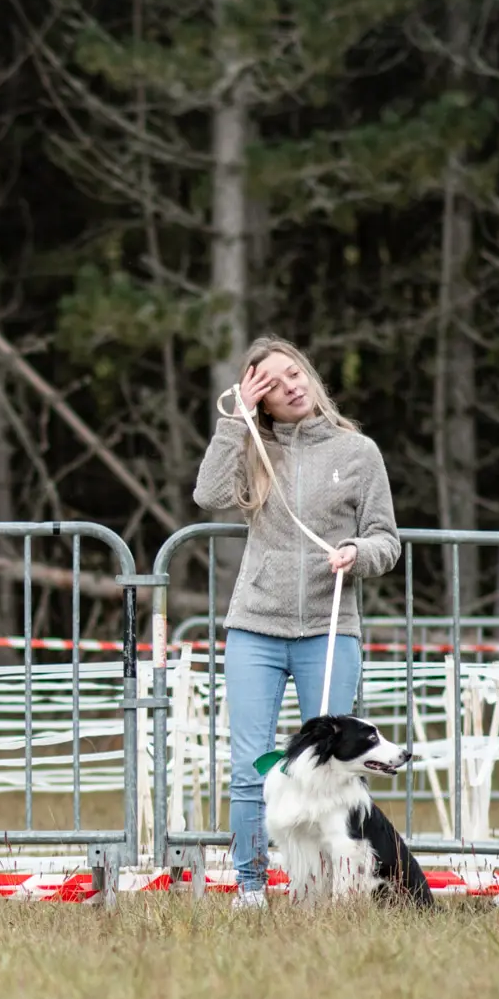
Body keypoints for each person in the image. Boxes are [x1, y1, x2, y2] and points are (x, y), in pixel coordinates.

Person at [192, 335, 400, 909]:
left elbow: (388, 541)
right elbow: (207, 495)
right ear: (260, 399)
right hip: (255, 628)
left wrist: (358, 551)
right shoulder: (254, 447)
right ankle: (252, 885)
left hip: (330, 632)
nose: (293, 386)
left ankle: (334, 889)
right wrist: (235, 420)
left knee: (334, 771)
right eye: (275, 384)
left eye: (296, 373)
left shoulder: (358, 453)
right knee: (250, 764)